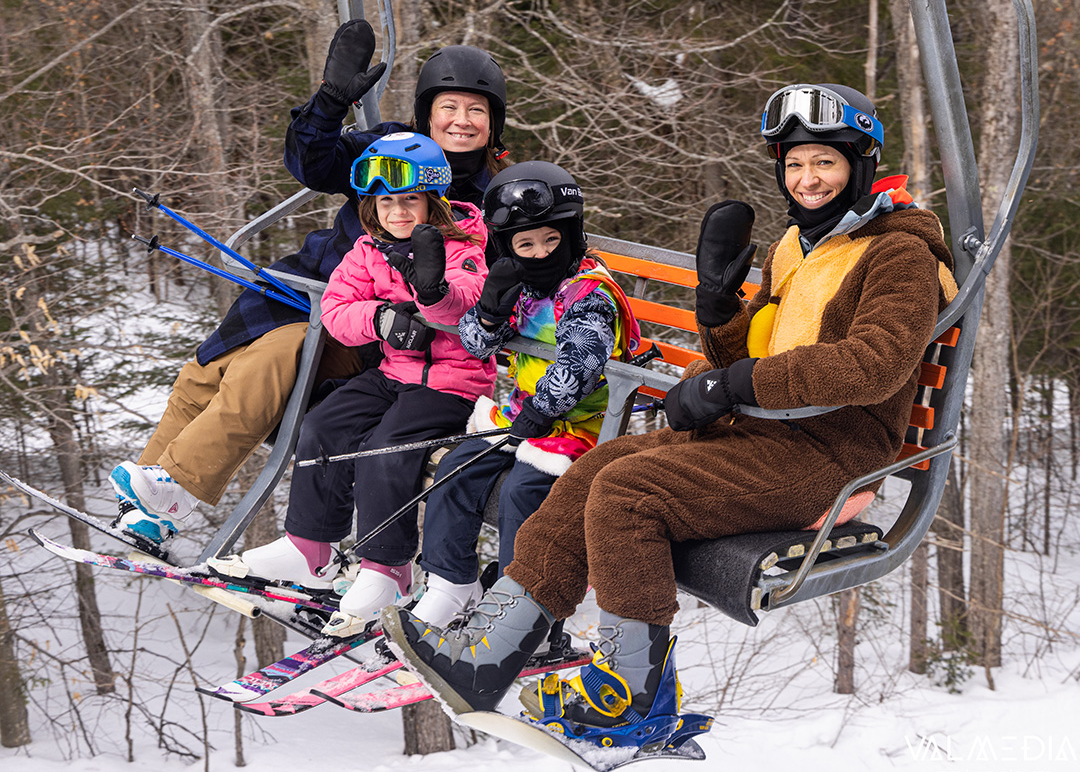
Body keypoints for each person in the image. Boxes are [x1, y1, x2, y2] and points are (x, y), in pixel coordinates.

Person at [381, 83, 959, 751]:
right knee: (600, 465)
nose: (808, 179)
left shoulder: (898, 253)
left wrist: (733, 382)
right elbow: (758, 354)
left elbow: (874, 363)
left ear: (860, 162)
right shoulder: (800, 246)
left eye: (825, 162)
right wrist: (720, 320)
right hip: (766, 437)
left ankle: (634, 694)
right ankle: (489, 650)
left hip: (829, 457)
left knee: (630, 496)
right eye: (795, 164)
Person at [108, 20, 510, 546]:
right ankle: (144, 507)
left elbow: (496, 281)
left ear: (494, 121)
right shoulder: (395, 146)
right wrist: (329, 102)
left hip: (372, 326)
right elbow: (314, 164)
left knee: (271, 359)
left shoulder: (493, 196)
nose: (461, 122)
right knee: (202, 376)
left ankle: (178, 486)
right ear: (427, 112)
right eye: (449, 108)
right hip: (305, 288)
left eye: (476, 110)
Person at [210, 132, 495, 637]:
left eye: (410, 199)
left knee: (387, 446)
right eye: (386, 201)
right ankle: (310, 547)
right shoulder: (369, 250)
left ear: (434, 200)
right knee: (324, 424)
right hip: (394, 372)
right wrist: (381, 318)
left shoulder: (465, 243)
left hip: (455, 383)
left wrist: (433, 292)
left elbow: (469, 298)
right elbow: (337, 310)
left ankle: (388, 568)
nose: (398, 212)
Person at [404, 161, 640, 628]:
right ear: (506, 248)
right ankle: (451, 584)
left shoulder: (587, 293)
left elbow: (582, 360)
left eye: (551, 241)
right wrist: (490, 311)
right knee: (458, 466)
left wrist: (542, 407)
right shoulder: (526, 289)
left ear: (571, 237)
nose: (540, 254)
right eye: (525, 245)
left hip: (583, 427)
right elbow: (474, 344)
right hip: (525, 417)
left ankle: (525, 608)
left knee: (523, 490)